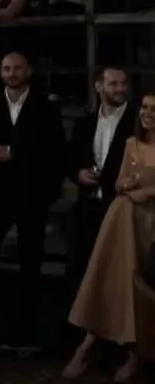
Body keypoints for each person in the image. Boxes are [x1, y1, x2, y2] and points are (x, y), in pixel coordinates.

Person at [65, 88, 155, 383]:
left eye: (153, 109)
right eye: (144, 108)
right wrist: (125, 184)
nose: (147, 114)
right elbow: (116, 184)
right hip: (121, 218)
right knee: (109, 278)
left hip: (149, 222)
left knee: (137, 284)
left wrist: (147, 191)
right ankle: (85, 347)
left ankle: (134, 355)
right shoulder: (132, 143)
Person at [0, 50, 66, 319]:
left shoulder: (46, 107)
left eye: (18, 68)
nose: (12, 74)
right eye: (7, 69)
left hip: (31, 194)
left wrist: (15, 154)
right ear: (1, 72)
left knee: (30, 259)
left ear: (29, 71)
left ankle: (27, 318)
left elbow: (55, 151)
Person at [66, 67, 135, 299]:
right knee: (79, 269)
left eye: (123, 83)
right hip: (88, 206)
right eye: (113, 84)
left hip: (121, 208)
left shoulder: (138, 122)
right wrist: (78, 174)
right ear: (99, 87)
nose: (120, 89)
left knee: (117, 273)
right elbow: (71, 159)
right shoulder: (84, 123)